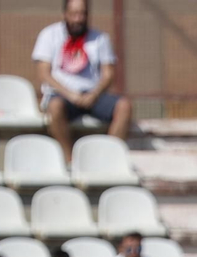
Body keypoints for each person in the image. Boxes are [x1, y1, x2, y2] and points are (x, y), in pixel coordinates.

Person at [33, 0, 131, 163]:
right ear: (65, 14)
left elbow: (108, 74)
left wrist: (94, 94)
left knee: (124, 106)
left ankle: (108, 160)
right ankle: (69, 159)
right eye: (74, 14)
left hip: (93, 95)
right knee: (54, 107)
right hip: (62, 95)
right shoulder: (49, 35)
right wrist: (71, 95)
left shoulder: (100, 38)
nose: (78, 19)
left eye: (82, 14)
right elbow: (43, 74)